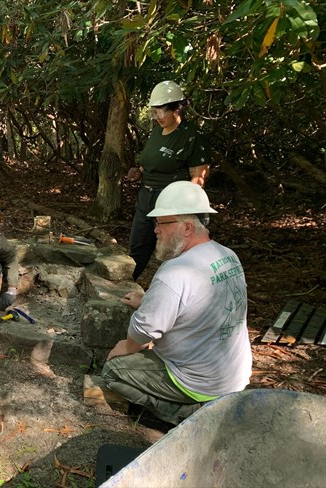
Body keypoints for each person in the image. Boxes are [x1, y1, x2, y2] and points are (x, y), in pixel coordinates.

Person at [102, 181, 252, 426]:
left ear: (187, 227)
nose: (155, 231)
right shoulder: (227, 256)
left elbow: (143, 330)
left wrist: (128, 347)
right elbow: (196, 303)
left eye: (161, 222)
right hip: (233, 378)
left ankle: (186, 415)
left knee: (113, 371)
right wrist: (147, 301)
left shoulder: (175, 271)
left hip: (196, 381)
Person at [127, 80, 211, 281]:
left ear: (176, 109)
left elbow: (198, 178)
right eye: (153, 112)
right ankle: (125, 287)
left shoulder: (192, 136)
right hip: (146, 197)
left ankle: (175, 291)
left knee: (174, 252)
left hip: (171, 201)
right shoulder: (157, 131)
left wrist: (183, 208)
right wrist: (139, 171)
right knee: (138, 247)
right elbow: (152, 160)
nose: (156, 117)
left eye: (160, 112)